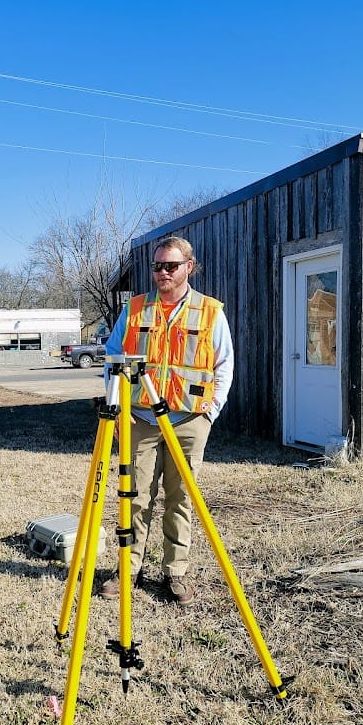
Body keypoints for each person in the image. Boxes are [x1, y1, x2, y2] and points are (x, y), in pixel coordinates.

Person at [99, 235, 234, 606]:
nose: (162, 272)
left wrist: (211, 410)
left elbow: (224, 364)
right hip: (140, 418)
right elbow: (113, 358)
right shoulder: (136, 308)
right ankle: (129, 568)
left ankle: (176, 571)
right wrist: (117, 404)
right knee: (134, 496)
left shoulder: (210, 312)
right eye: (157, 265)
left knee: (181, 498)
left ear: (189, 267)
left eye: (170, 266)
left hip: (188, 419)